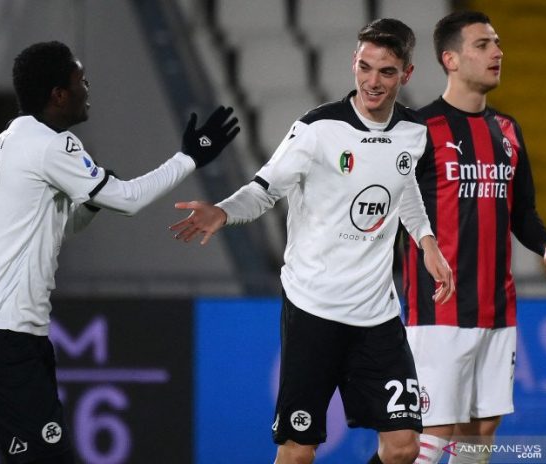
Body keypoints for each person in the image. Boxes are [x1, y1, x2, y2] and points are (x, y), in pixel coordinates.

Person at [171, 19, 455, 464]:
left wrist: (427, 241)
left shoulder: (413, 133)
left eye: (385, 71)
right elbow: (265, 189)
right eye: (364, 67)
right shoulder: (317, 129)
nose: (371, 81)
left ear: (407, 74)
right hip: (313, 312)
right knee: (299, 452)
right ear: (353, 63)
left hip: (377, 316)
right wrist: (223, 211)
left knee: (403, 448)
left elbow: (404, 189)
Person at [0, 41, 239, 463]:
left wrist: (93, 202)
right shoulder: (51, 144)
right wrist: (189, 157)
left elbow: (56, 227)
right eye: (80, 80)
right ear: (58, 95)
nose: (87, 88)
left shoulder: (11, 138)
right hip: (0, 334)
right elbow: (130, 199)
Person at [402, 11, 546, 464]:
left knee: (480, 430)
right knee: (437, 428)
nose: (497, 52)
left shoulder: (508, 130)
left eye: (497, 43)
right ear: (451, 59)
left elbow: (522, 210)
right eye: (483, 45)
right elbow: (398, 212)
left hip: (497, 305)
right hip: (439, 306)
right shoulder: (418, 131)